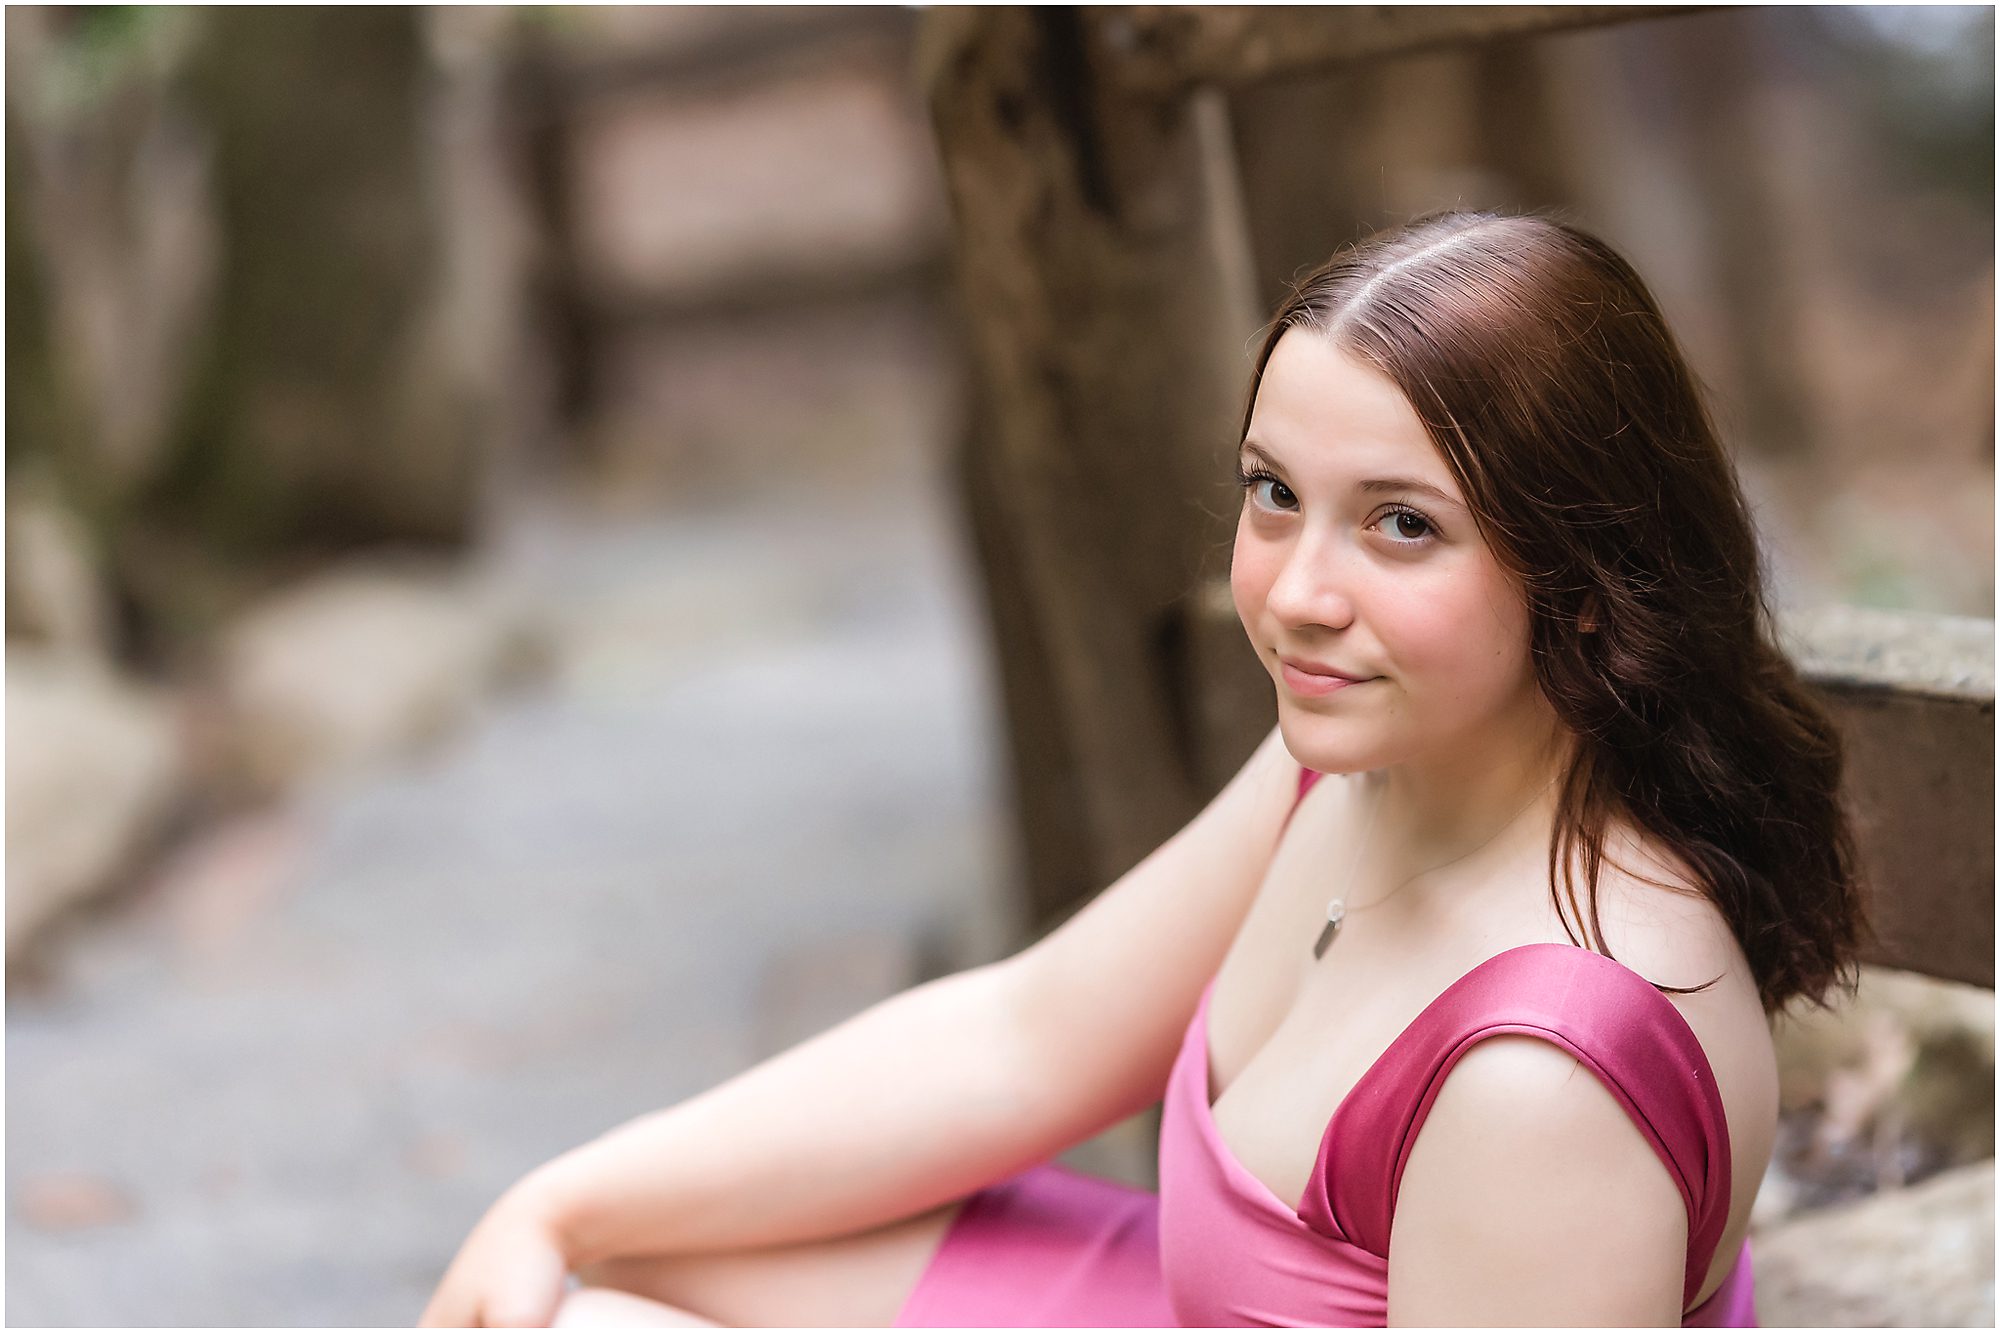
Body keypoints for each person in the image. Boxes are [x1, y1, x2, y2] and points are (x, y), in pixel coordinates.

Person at [419, 209, 1869, 1328]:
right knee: (567, 1285)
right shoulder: (1365, 766)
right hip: (1162, 1296)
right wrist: (556, 1198)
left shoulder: (1546, 1078)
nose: (1299, 589)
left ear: (1590, 585)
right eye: (1274, 494)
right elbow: (1028, 1032)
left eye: (1401, 524)